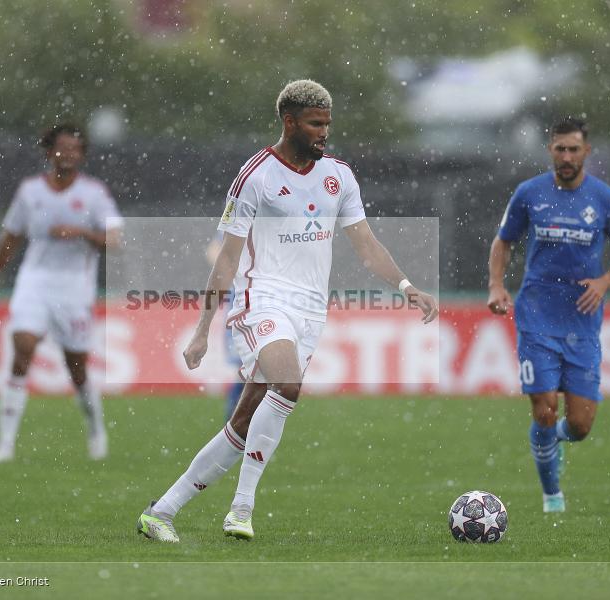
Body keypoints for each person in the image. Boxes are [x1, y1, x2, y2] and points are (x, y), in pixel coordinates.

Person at [137, 80, 439, 543]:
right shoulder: (255, 175)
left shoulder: (340, 175)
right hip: (262, 300)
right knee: (288, 382)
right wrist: (202, 329)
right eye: (316, 124)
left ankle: (162, 511)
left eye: (328, 124)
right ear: (290, 121)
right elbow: (228, 256)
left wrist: (406, 286)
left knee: (243, 422)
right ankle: (241, 508)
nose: (324, 133)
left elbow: (366, 244)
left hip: (310, 311)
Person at [487, 117, 610, 513]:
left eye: (574, 149)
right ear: (550, 150)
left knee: (580, 425)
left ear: (586, 151)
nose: (567, 156)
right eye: (560, 149)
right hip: (536, 315)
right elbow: (503, 242)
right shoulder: (529, 194)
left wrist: (605, 281)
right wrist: (496, 285)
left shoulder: (605, 199)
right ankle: (552, 496)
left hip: (582, 323)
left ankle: (551, 439)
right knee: (543, 406)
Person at [0, 123, 124, 463]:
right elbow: (11, 238)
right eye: (62, 148)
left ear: (82, 155)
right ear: (48, 152)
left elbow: (115, 240)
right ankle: (6, 443)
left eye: (75, 149)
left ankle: (96, 428)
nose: (68, 155)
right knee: (23, 347)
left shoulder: (94, 194)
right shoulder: (30, 192)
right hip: (35, 280)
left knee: (77, 368)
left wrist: (80, 231)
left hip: (74, 287)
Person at [205, 233, 246, 420]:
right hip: (240, 309)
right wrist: (233, 268)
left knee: (254, 370)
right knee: (245, 368)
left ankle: (238, 427)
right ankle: (234, 424)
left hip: (267, 306)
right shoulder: (242, 214)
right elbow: (213, 251)